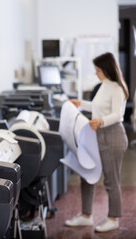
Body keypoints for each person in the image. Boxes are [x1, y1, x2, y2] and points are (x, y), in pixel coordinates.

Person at [65, 52, 129, 232]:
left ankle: (113, 218)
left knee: (111, 179)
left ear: (107, 69)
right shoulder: (104, 85)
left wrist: (101, 121)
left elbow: (118, 114)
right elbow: (97, 106)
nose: (96, 73)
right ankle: (86, 216)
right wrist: (81, 104)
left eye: (98, 70)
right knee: (87, 174)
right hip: (97, 136)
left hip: (113, 136)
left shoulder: (117, 87)